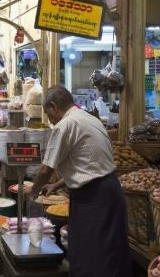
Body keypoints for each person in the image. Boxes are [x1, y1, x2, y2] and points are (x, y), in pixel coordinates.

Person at [26, 85, 131, 277]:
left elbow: (45, 169)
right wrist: (57, 184)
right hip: (110, 190)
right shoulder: (89, 118)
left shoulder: (65, 125)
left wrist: (33, 192)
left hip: (94, 197)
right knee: (110, 249)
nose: (48, 118)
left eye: (47, 113)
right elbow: (88, 163)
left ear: (53, 106)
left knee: (92, 252)